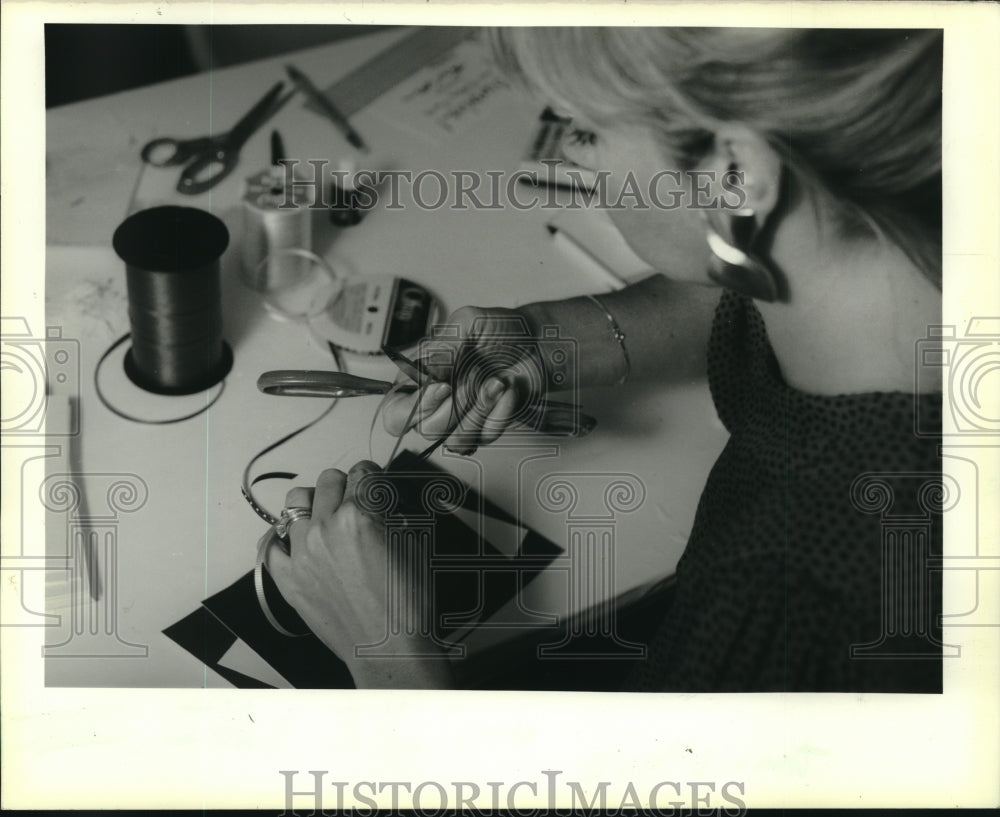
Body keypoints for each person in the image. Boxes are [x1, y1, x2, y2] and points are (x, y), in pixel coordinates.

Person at [267, 27, 944, 691]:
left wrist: (387, 652)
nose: (571, 159)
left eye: (583, 130)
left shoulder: (801, 604)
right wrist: (549, 338)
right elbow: (762, 279)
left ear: (736, 175)